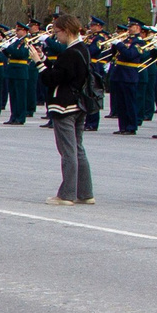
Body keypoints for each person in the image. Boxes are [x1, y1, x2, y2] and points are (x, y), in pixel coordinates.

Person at [40, 12, 94, 205]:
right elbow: (61, 72)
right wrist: (46, 62)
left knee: (68, 151)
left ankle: (67, 194)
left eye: (58, 32)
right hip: (78, 104)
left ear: (66, 30)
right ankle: (85, 193)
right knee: (78, 149)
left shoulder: (69, 53)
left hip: (65, 105)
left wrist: (39, 65)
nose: (56, 36)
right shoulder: (82, 49)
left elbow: (52, 79)